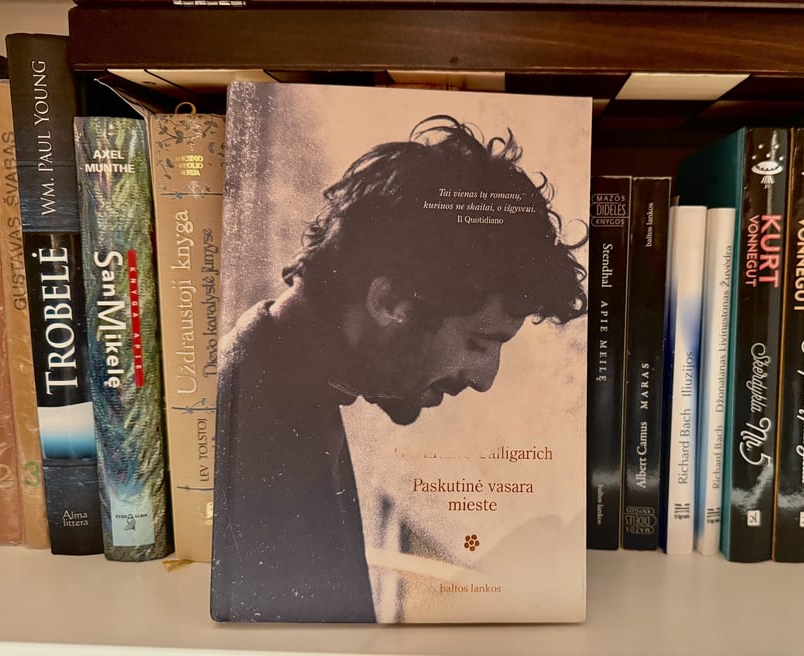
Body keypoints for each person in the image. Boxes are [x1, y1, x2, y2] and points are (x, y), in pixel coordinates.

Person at [210, 115, 588, 622]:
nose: (484, 379)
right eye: (478, 342)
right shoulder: (257, 420)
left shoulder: (287, 378)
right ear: (389, 301)